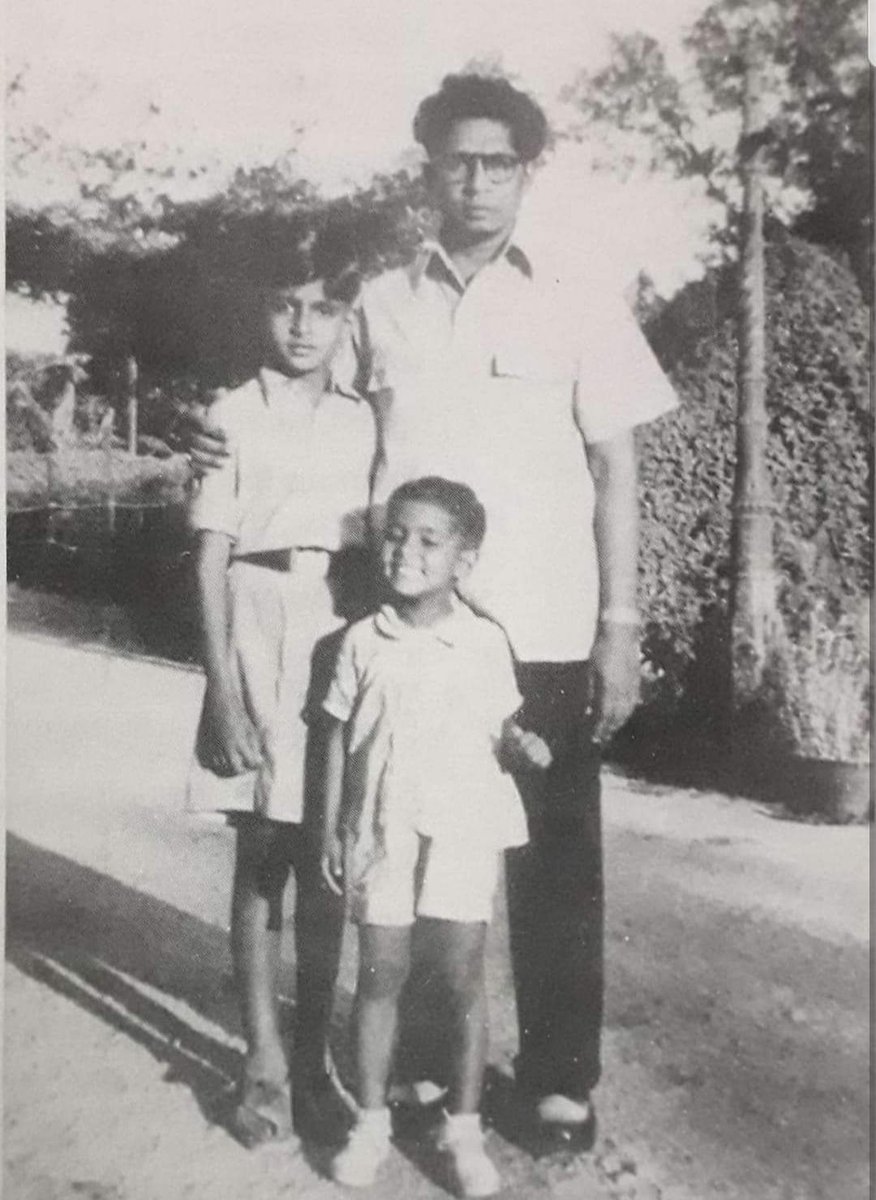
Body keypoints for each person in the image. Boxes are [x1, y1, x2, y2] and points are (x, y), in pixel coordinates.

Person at [186, 73, 677, 1152]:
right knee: (399, 840)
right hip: (403, 632)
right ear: (428, 171)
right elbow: (313, 413)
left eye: (499, 161)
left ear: (527, 172)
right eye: (457, 159)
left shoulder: (580, 296)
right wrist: (223, 438)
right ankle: (409, 1064)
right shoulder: (381, 304)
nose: (477, 180)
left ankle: (557, 1078)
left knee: (551, 861)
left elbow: (617, 466)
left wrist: (621, 626)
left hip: (539, 624)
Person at [185, 212, 377, 1147]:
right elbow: (210, 559)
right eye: (286, 306)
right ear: (264, 312)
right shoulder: (229, 414)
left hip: (338, 627)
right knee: (263, 854)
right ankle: (258, 1056)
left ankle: (312, 1063)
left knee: (330, 854)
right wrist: (221, 691)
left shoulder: (365, 419)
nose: (303, 325)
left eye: (324, 308)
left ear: (348, 318)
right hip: (256, 629)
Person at [321, 477, 551, 1196]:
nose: (407, 551)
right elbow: (335, 740)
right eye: (395, 534)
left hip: (460, 828)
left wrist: (523, 747)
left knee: (459, 979)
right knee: (380, 975)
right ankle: (370, 1124)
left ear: (465, 557)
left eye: (430, 539)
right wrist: (335, 827)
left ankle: (464, 1130)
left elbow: (502, 732)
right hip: (383, 828)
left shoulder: (484, 642)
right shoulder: (362, 639)